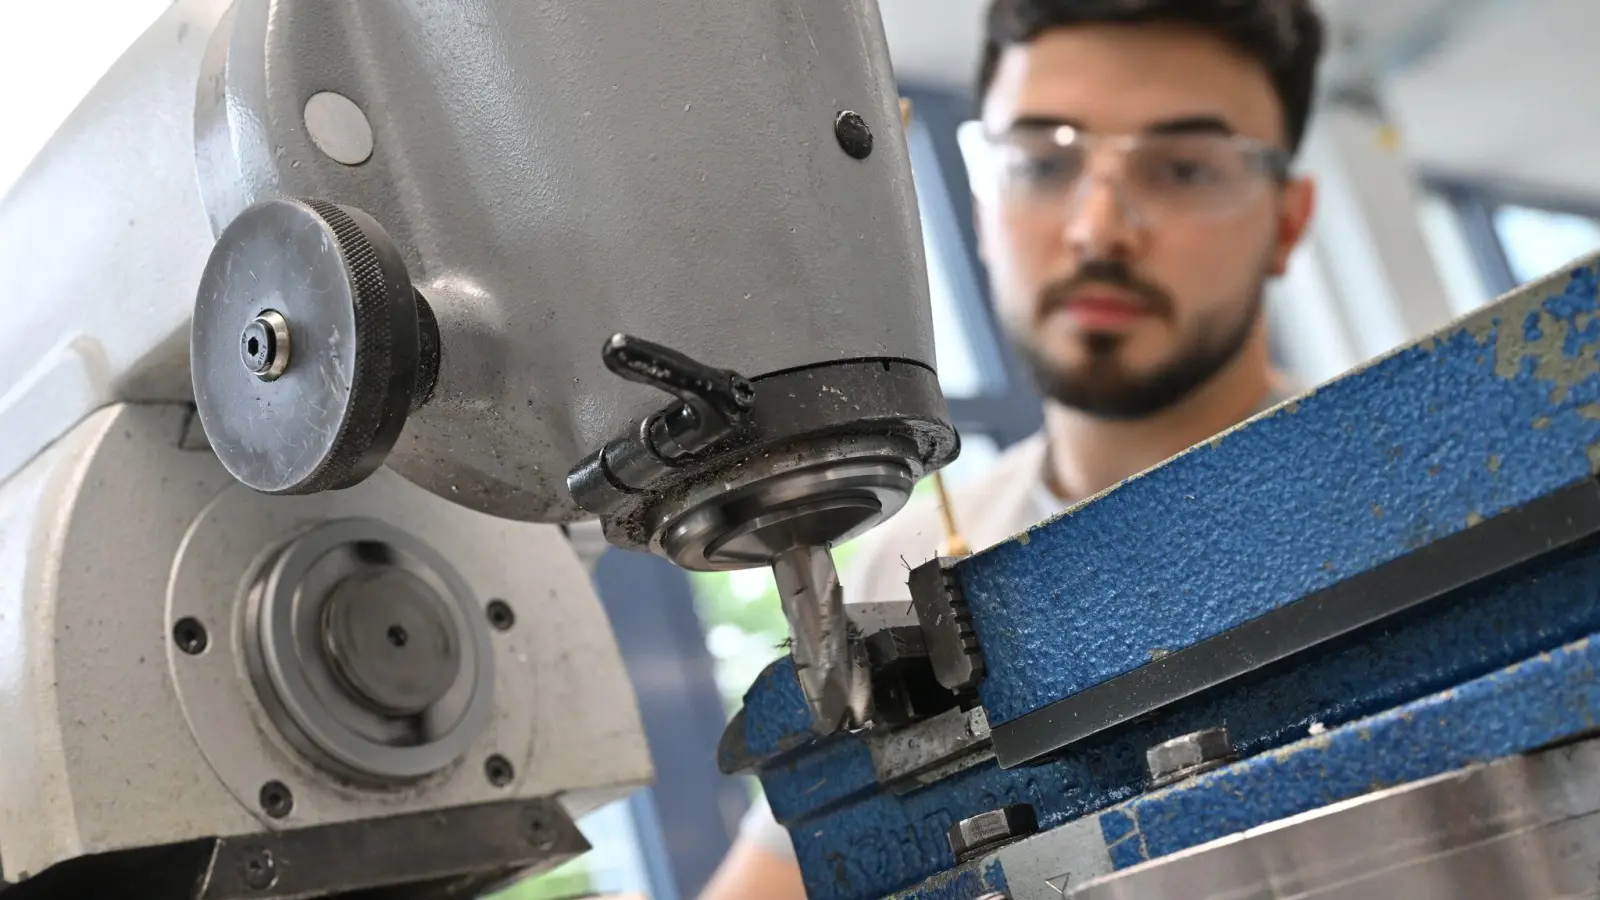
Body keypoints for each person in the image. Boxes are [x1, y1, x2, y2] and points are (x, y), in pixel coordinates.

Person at [698, 0, 1324, 896]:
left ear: (1289, 222)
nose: (1097, 229)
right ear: (984, 198)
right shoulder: (901, 571)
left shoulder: (1420, 485)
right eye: (1042, 162)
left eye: (1184, 167)